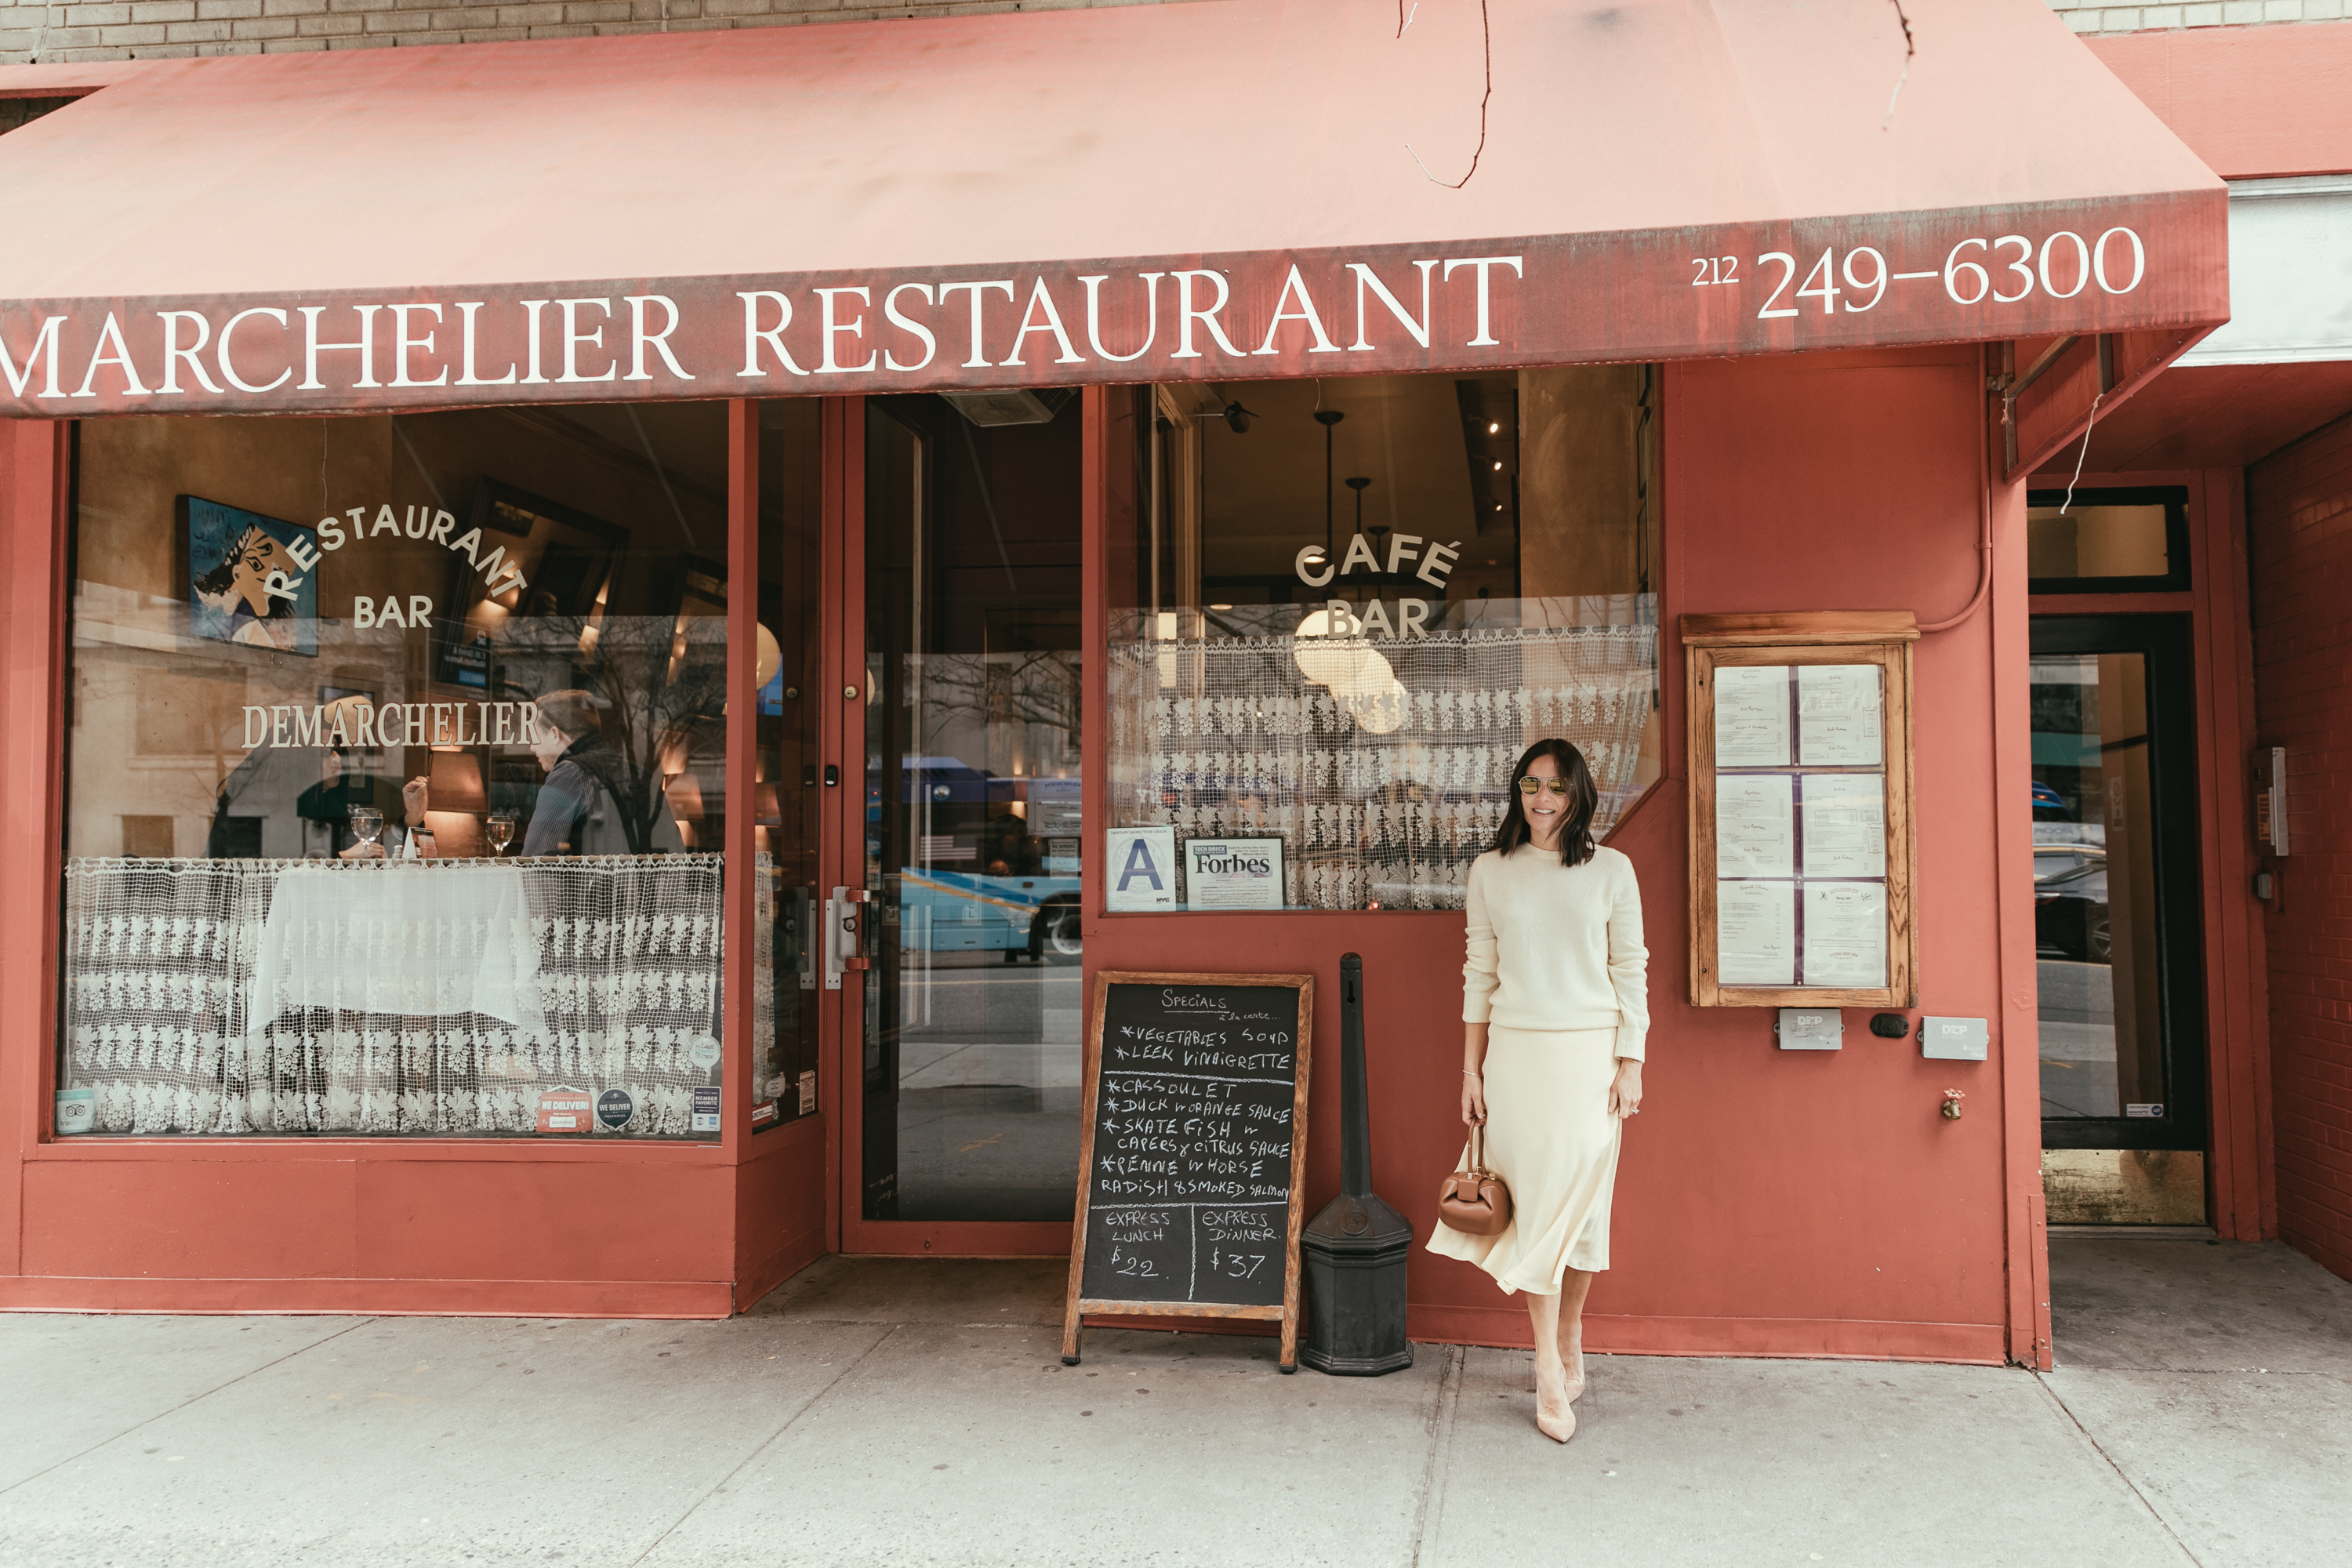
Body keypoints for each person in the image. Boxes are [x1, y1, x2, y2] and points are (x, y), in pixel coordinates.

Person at [1428, 738, 1647, 1444]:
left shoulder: (1613, 870)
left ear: (1579, 794)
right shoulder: (1491, 871)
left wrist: (1631, 1058)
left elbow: (1630, 970)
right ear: (1517, 792)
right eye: (1530, 785)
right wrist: (1471, 1070)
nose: (1542, 798)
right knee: (1542, 1211)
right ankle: (1548, 1369)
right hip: (1517, 1062)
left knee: (1581, 1216)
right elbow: (1478, 974)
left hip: (1589, 1065)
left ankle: (1570, 1333)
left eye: (1555, 786)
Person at [521, 688, 684, 855]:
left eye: (535, 737)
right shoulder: (634, 772)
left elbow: (535, 859)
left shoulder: (569, 774)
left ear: (555, 734)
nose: (532, 747)